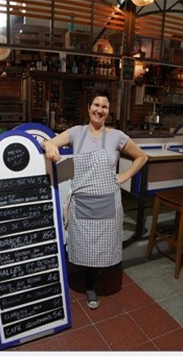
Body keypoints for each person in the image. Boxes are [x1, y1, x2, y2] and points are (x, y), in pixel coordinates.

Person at [41, 88, 147, 310]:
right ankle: (79, 279)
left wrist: (124, 176)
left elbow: (141, 156)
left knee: (101, 248)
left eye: (104, 107)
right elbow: (49, 143)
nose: (100, 110)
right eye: (96, 105)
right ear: (89, 107)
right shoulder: (76, 133)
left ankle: (92, 286)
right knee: (82, 245)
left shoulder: (117, 136)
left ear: (109, 112)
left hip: (108, 202)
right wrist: (50, 146)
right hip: (82, 203)